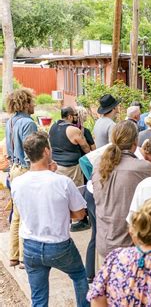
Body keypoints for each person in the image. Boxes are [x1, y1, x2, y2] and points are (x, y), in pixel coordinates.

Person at [11, 132, 89, 307]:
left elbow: (29, 208)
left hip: (30, 245)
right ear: (46, 151)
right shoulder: (63, 182)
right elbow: (80, 215)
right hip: (59, 245)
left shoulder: (17, 183)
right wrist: (60, 211)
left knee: (38, 297)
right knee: (79, 276)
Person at [92, 121, 151, 262]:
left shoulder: (98, 164)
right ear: (135, 142)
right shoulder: (144, 168)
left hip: (104, 241)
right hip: (130, 245)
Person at [5, 88, 38, 268]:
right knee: (28, 215)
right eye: (32, 102)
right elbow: (30, 150)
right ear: (25, 104)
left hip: (14, 169)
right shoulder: (28, 123)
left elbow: (10, 151)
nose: (34, 104)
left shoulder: (11, 121)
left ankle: (13, 256)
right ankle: (26, 258)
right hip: (26, 169)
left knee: (17, 215)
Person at [49, 107, 91, 186]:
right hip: (71, 169)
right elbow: (86, 149)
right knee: (76, 191)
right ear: (70, 116)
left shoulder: (53, 127)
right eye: (75, 115)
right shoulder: (73, 130)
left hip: (57, 166)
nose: (76, 117)